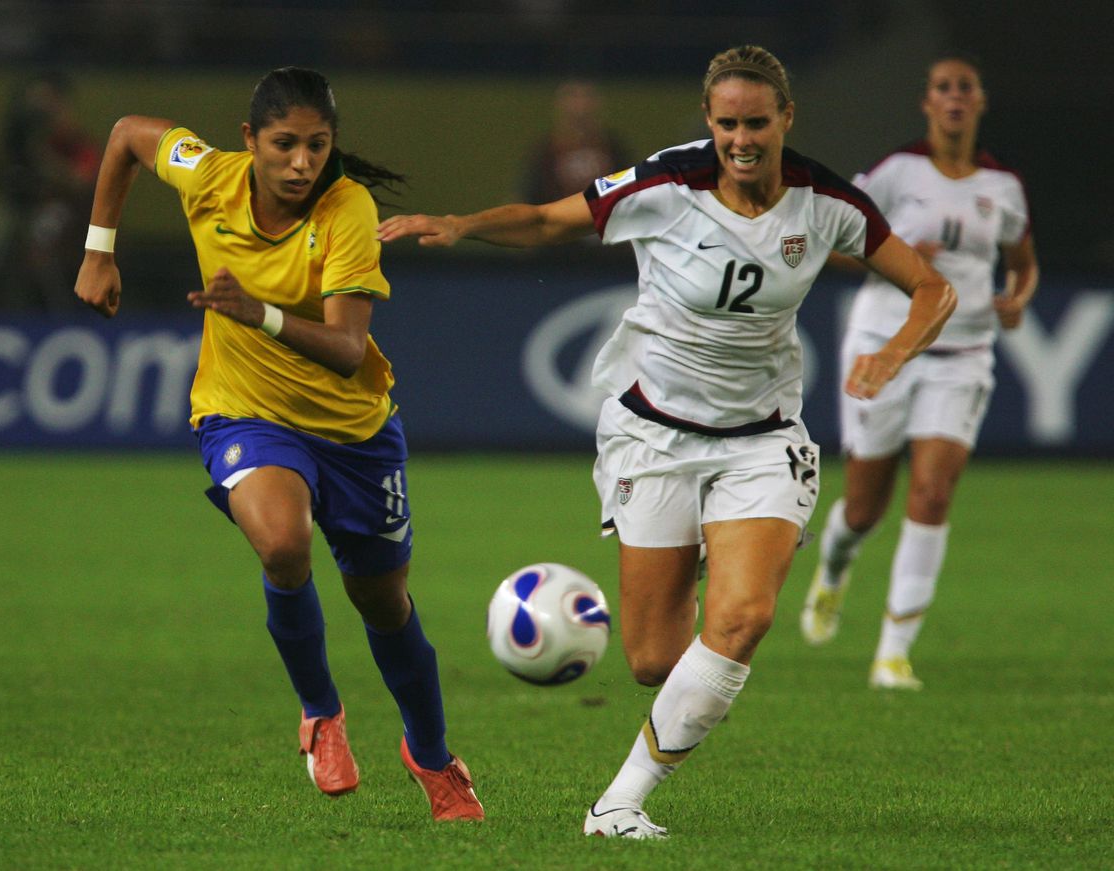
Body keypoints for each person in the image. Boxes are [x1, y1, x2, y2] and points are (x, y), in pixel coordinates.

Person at [377, 45, 956, 838]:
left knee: (743, 618)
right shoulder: (664, 185)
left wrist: (892, 355)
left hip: (761, 442)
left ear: (787, 118)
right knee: (654, 660)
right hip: (654, 438)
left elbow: (932, 287)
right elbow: (547, 220)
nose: (742, 139)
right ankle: (712, 552)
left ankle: (618, 803)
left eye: (758, 122)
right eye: (728, 124)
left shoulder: (826, 202)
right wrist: (462, 224)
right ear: (709, 120)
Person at [73, 67, 483, 821]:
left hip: (354, 433)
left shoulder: (346, 209)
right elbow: (128, 134)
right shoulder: (210, 178)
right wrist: (99, 250)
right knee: (284, 544)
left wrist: (256, 312)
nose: (301, 163)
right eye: (284, 144)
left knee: (383, 602)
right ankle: (321, 712)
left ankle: (430, 754)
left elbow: (348, 350)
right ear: (249, 140)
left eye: (317, 146)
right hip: (244, 413)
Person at [799, 56, 1038, 690]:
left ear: (979, 101)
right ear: (927, 103)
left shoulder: (1003, 186)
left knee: (932, 494)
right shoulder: (897, 172)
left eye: (965, 87)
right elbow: (836, 241)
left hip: (963, 352)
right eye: (942, 88)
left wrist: (1017, 297)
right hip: (886, 345)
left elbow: (1023, 261)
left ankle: (893, 653)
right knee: (864, 508)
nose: (954, 97)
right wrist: (895, 259)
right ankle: (833, 569)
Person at [0, 69, 101, 313]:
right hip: (24, 213)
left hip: (68, 228)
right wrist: (4, 139)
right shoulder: (16, 141)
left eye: (47, 107)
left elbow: (83, 183)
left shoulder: (76, 143)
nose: (40, 116)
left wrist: (44, 159)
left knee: (44, 238)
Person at [520, 79, 631, 205]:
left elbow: (628, 190)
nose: (580, 106)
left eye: (585, 98)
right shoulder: (548, 150)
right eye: (574, 98)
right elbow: (530, 194)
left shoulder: (612, 148)